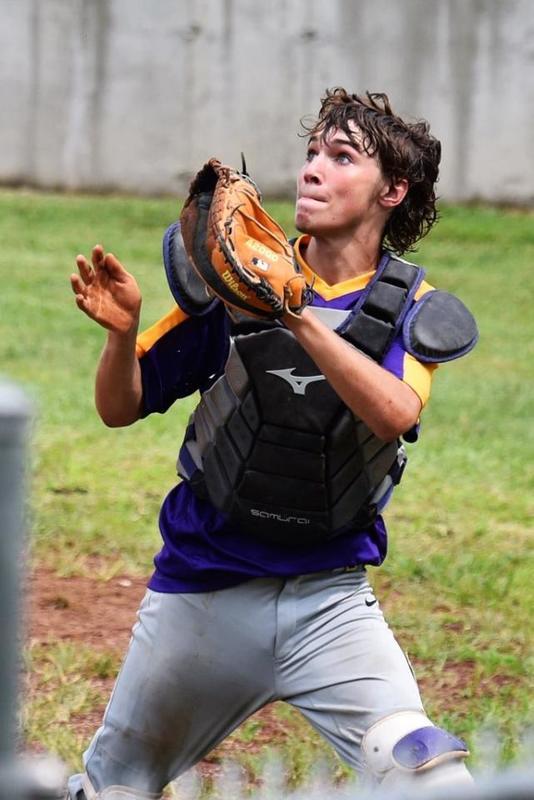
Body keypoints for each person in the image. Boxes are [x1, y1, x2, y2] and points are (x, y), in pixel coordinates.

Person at [67, 89, 477, 799]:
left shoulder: (409, 307)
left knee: (427, 773)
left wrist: (294, 312)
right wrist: (122, 333)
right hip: (204, 590)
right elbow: (119, 407)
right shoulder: (236, 272)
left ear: (393, 191)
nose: (313, 168)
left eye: (341, 156)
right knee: (115, 790)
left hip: (330, 603)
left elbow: (392, 412)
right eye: (312, 152)